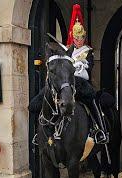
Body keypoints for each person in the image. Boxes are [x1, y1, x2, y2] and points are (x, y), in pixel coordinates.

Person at [29, 4, 108, 144]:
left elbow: (88, 69)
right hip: (65, 81)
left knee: (92, 101)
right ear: (73, 37)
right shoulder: (66, 51)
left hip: (81, 83)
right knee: (39, 102)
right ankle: (39, 133)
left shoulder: (88, 52)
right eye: (77, 38)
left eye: (82, 38)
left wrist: (80, 66)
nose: (79, 41)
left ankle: (99, 130)